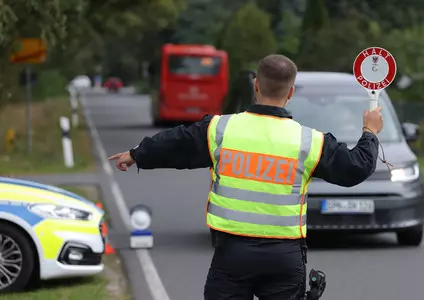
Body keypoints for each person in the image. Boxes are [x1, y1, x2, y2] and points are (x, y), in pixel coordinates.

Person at [108, 54, 383, 300]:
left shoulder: (220, 129)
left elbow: (175, 143)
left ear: (255, 86)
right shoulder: (308, 141)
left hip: (233, 254)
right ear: (291, 93)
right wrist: (369, 132)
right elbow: (355, 168)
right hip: (284, 258)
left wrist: (137, 154)